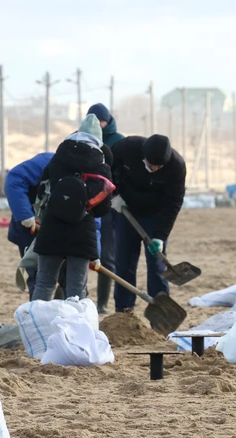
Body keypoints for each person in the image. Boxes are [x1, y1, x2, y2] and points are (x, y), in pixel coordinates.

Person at [32, 122, 114, 301]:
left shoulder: (58, 158)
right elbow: (102, 208)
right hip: (82, 233)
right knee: (76, 288)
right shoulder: (101, 165)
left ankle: (35, 325)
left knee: (44, 283)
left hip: (52, 228)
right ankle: (75, 327)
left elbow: (41, 190)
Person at [111, 134, 186, 315]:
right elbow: (106, 168)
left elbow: (173, 203)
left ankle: (161, 312)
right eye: (151, 164)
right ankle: (124, 310)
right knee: (124, 261)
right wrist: (113, 194)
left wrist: (160, 235)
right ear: (143, 156)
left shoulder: (177, 166)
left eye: (158, 167)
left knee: (157, 264)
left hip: (155, 215)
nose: (153, 169)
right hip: (125, 208)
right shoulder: (127, 147)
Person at [87, 103, 124, 314]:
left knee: (107, 255)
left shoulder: (117, 141)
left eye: (99, 120)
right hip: (85, 203)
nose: (97, 124)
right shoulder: (81, 138)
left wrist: (117, 194)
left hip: (109, 205)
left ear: (106, 121)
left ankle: (102, 303)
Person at [5, 151, 54, 298]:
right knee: (37, 276)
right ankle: (38, 315)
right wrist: (25, 215)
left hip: (59, 231)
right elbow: (14, 179)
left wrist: (93, 249)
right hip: (31, 228)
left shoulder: (89, 172)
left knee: (67, 277)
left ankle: (64, 314)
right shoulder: (46, 161)